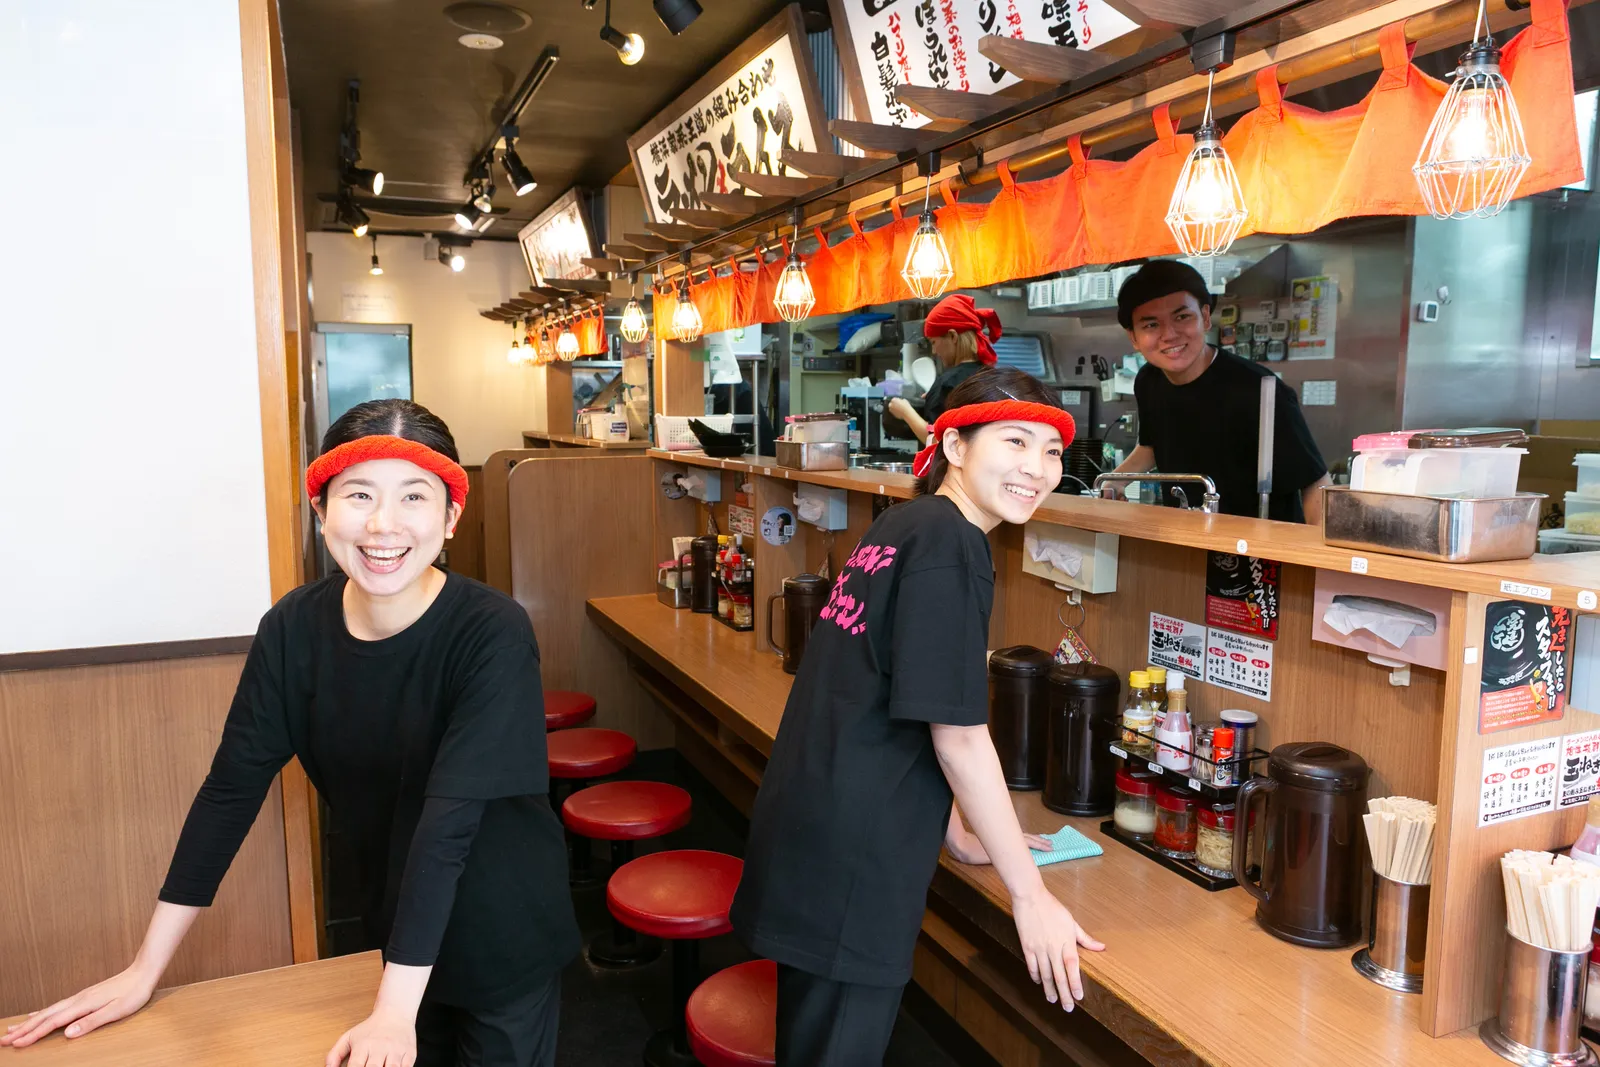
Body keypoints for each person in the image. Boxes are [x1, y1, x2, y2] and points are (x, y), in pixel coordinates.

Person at [2, 400, 580, 1067]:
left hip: (501, 925)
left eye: (413, 497)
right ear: (321, 510)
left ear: (450, 517)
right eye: (358, 494)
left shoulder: (491, 631)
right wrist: (143, 968)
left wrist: (395, 1012)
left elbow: (448, 825)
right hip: (397, 922)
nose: (383, 524)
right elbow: (229, 792)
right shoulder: (292, 630)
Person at [730, 367, 1104, 1065]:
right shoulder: (952, 542)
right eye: (1015, 441)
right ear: (956, 447)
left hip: (817, 827)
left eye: (1051, 451)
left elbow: (902, 692)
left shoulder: (905, 522)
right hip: (853, 862)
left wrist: (960, 830)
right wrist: (1030, 895)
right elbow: (958, 734)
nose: (1037, 467)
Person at [1112, 260, 1331, 523]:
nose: (1169, 334)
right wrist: (1114, 481)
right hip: (1188, 541)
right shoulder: (1149, 380)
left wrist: (1317, 561)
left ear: (1205, 317)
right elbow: (1151, 446)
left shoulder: (1259, 389)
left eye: (1182, 317)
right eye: (1151, 325)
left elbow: (1314, 483)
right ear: (1133, 338)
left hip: (1257, 552)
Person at [885, 292, 1003, 445]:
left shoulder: (948, 383)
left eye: (934, 342)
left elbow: (937, 442)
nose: (934, 352)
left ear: (953, 337)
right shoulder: (991, 376)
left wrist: (906, 412)